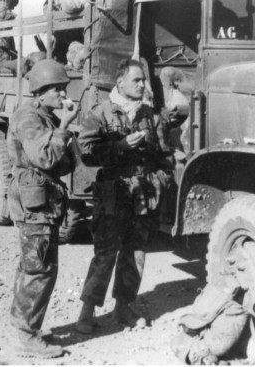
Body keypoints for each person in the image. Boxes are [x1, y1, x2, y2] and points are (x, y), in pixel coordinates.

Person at [75, 59, 186, 334]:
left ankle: (123, 307)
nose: (142, 85)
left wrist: (164, 174)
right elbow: (87, 154)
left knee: (135, 252)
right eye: (136, 80)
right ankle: (87, 311)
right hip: (114, 193)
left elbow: (163, 154)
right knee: (105, 252)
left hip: (144, 194)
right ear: (120, 81)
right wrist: (120, 146)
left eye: (143, 80)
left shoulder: (151, 116)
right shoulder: (100, 113)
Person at [7, 59, 79, 358]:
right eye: (58, 90)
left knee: (34, 265)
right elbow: (47, 157)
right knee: (39, 268)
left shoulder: (42, 114)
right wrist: (64, 126)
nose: (63, 95)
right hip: (34, 201)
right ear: (40, 92)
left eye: (63, 89)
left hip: (41, 198)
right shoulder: (29, 117)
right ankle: (26, 336)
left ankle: (26, 327)